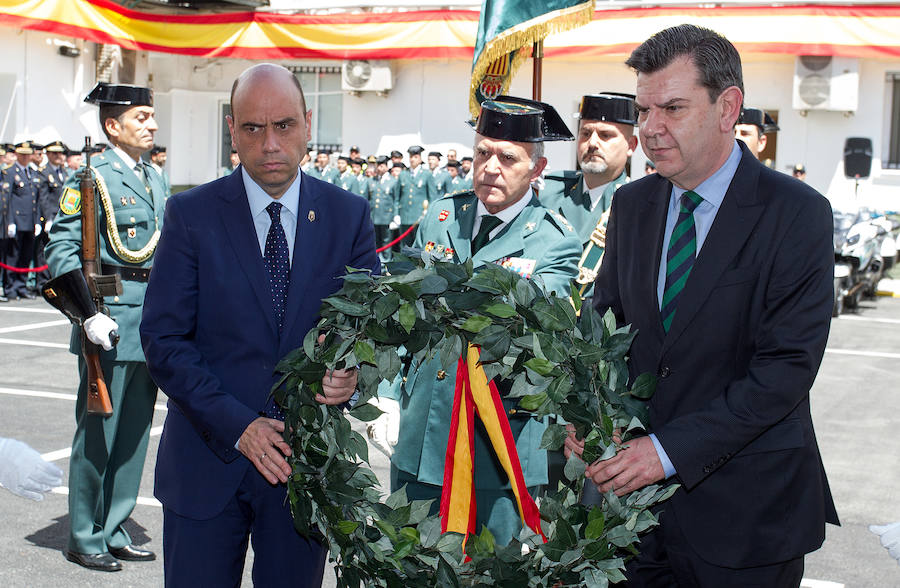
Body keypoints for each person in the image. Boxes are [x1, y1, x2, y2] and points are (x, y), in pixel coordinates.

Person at [574, 24, 838, 585]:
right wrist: (586, 416)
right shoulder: (633, 204)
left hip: (745, 518)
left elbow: (785, 369)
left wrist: (665, 452)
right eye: (643, 110)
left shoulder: (795, 213)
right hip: (630, 519)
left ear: (728, 107)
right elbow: (602, 329)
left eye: (671, 108)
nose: (650, 129)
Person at [140, 63, 380, 587]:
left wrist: (353, 371)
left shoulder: (348, 215)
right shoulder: (191, 214)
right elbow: (164, 342)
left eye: (285, 126)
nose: (270, 143)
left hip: (306, 469)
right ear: (233, 130)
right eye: (253, 128)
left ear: (309, 125)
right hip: (206, 465)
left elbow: (370, 330)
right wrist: (239, 427)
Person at [378, 96, 581, 546]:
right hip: (422, 436)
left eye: (508, 158)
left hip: (498, 447)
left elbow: (532, 326)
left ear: (537, 167)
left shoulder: (554, 240)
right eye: (482, 152)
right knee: (411, 566)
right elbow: (403, 311)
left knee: (491, 572)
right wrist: (389, 393)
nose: (491, 167)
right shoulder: (442, 215)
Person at [45, 82, 168, 572]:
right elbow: (60, 250)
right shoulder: (91, 178)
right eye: (141, 117)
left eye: (152, 116)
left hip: (151, 320)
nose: (152, 125)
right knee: (98, 431)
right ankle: (84, 535)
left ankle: (115, 526)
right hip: (109, 320)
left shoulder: (155, 176)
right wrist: (87, 314)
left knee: (136, 432)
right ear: (113, 126)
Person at [541, 93, 638, 299]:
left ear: (631, 146)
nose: (592, 143)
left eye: (605, 135)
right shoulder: (546, 190)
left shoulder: (639, 206)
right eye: (585, 133)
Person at [4, 142, 41, 300]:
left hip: (30, 220)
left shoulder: (32, 172)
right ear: (17, 154)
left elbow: (36, 199)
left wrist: (38, 220)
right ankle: (10, 287)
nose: (25, 157)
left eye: (28, 154)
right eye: (22, 154)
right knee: (13, 255)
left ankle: (21, 285)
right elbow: (8, 199)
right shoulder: (10, 172)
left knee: (26, 255)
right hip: (17, 220)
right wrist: (9, 221)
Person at [396, 145, 436, 249]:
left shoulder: (427, 174)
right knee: (404, 246)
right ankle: (404, 265)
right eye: (411, 157)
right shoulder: (403, 174)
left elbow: (433, 197)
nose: (412, 159)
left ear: (420, 158)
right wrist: (396, 214)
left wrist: (429, 214)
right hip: (405, 216)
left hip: (420, 217)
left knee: (418, 247)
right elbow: (397, 197)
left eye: (415, 157)